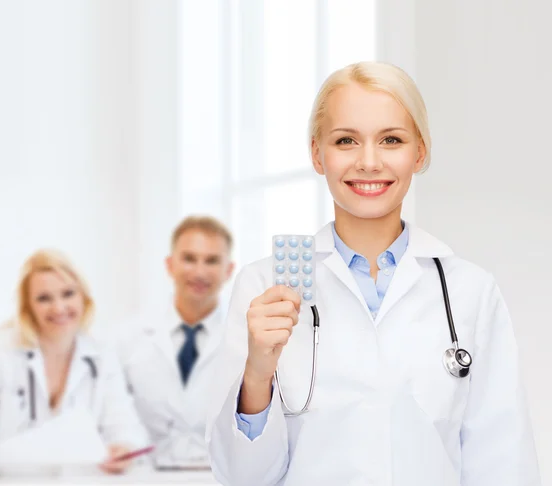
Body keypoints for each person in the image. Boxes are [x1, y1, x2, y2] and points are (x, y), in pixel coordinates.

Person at [205, 62, 541, 485]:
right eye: (346, 140)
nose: (368, 162)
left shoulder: (469, 291)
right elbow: (240, 477)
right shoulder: (264, 287)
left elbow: (504, 462)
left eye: (391, 140)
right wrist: (257, 373)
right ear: (317, 154)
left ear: (419, 152)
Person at [0, 250, 149, 476]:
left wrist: (124, 448)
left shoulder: (102, 354)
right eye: (44, 298)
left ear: (83, 297)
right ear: (28, 307)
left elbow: (126, 428)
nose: (59, 307)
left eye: (68, 294)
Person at [120, 216, 234, 468]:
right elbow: (114, 417)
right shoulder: (129, 338)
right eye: (189, 259)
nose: (200, 272)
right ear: (170, 265)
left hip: (219, 478)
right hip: (147, 476)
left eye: (212, 260)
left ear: (229, 270)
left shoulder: (246, 338)